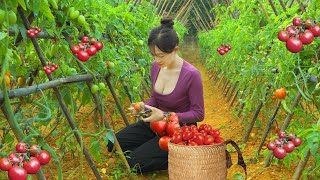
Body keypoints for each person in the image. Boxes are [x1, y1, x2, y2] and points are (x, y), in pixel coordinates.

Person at [107, 17, 204, 173]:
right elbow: (155, 99)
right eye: (153, 55)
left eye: (161, 55)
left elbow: (198, 114)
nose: (156, 60)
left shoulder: (191, 75)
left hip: (179, 129)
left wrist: (166, 115)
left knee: (134, 163)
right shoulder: (156, 67)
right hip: (156, 123)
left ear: (175, 49)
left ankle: (183, 155)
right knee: (113, 144)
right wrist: (144, 107)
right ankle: (154, 148)